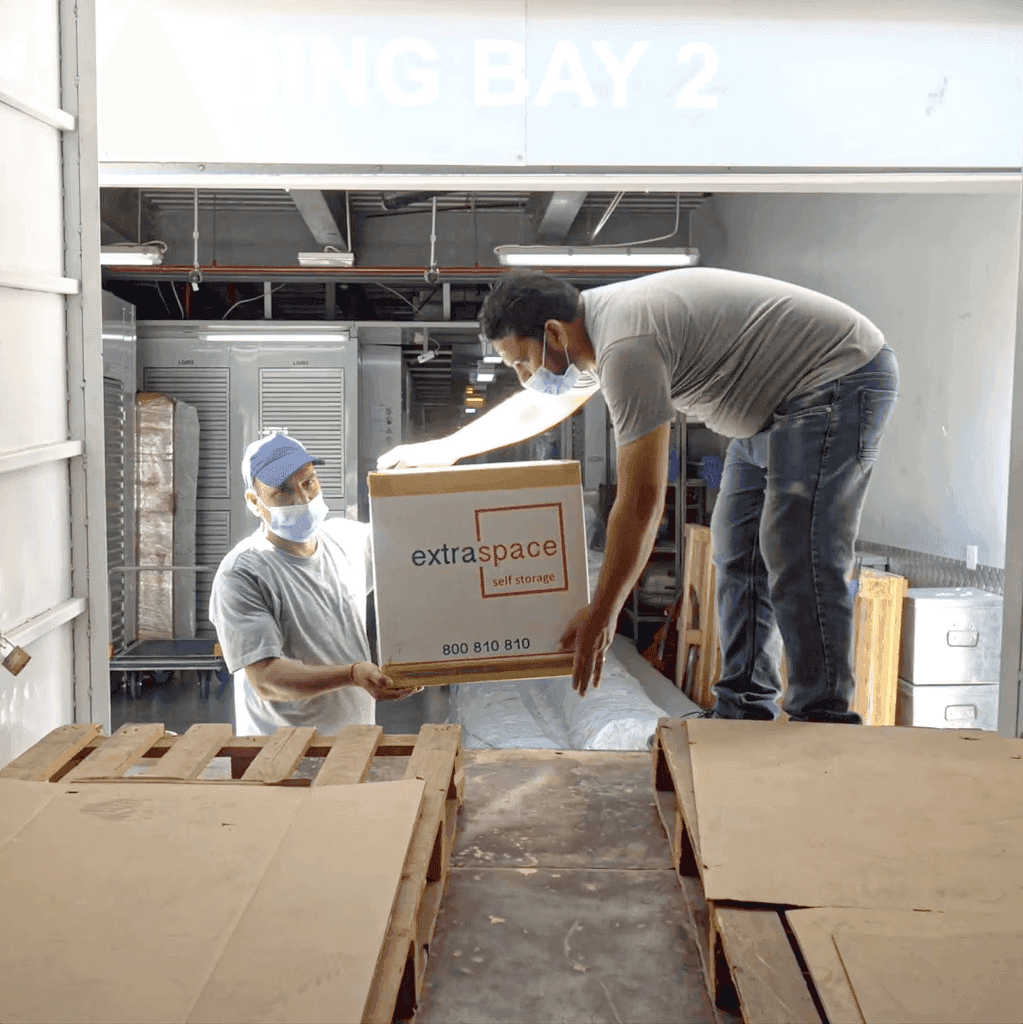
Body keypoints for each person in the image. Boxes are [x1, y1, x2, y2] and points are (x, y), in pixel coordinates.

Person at [379, 267, 899, 724]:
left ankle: (822, 716)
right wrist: (447, 449)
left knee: (797, 548)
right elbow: (536, 408)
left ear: (554, 333)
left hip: (835, 378)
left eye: (521, 363)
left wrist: (603, 613)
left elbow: (642, 498)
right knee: (736, 549)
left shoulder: (626, 345)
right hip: (768, 413)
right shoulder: (593, 337)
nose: (522, 377)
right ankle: (745, 706)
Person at [210, 431, 421, 736]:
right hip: (281, 750)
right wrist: (352, 675)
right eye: (282, 491)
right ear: (255, 502)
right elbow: (266, 679)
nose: (303, 498)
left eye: (308, 482)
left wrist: (413, 485)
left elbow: (417, 549)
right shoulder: (244, 572)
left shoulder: (347, 540)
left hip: (355, 739)